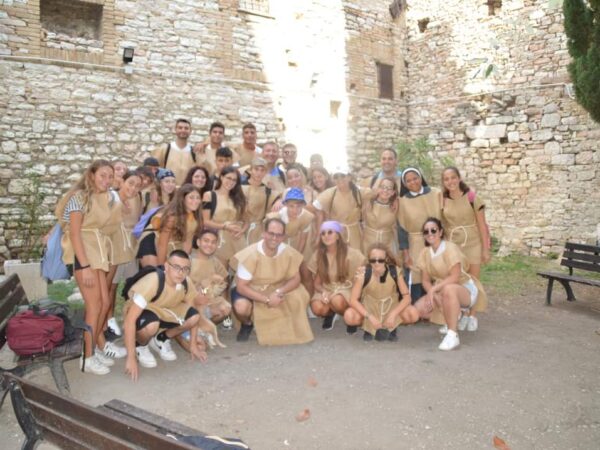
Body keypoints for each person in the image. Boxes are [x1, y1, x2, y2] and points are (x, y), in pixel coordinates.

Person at [55, 160, 122, 375]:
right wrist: (83, 266)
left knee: (104, 303)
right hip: (84, 255)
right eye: (102, 175)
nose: (107, 180)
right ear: (91, 175)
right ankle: (87, 357)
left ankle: (93, 347)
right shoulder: (79, 198)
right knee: (94, 306)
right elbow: (75, 234)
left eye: (110, 176)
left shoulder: (102, 198)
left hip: (97, 253)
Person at [122, 250, 207, 381]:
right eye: (176, 267)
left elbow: (193, 310)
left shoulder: (186, 282)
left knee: (194, 317)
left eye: (185, 269)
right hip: (145, 311)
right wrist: (130, 357)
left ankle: (161, 338)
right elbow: (129, 320)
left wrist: (193, 345)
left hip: (166, 311)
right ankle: (140, 345)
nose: (181, 272)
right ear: (167, 266)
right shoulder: (153, 282)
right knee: (152, 325)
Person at [230, 218, 313, 345]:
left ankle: (288, 324)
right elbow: (241, 287)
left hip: (276, 287)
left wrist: (279, 292)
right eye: (271, 233)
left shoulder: (289, 252)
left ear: (283, 237)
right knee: (241, 307)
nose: (274, 238)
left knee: (299, 295)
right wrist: (267, 300)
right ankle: (247, 323)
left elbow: (296, 279)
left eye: (279, 235)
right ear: (264, 233)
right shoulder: (250, 255)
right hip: (251, 288)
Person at [413, 218, 487, 351]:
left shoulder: (450, 248)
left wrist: (434, 289)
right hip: (441, 289)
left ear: (441, 232)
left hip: (464, 288)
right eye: (426, 231)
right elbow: (425, 280)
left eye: (433, 230)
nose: (430, 233)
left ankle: (453, 334)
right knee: (419, 309)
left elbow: (455, 276)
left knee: (449, 289)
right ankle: (453, 315)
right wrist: (434, 294)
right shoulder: (425, 253)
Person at [441, 166, 491, 331]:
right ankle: (459, 314)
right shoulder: (442, 200)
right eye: (446, 179)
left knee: (473, 281)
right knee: (457, 280)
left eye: (453, 177)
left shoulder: (471, 197)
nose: (450, 181)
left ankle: (472, 315)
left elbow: (482, 225)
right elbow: (443, 225)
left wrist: (485, 249)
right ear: (443, 182)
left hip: (473, 243)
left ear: (459, 178)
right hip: (454, 245)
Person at [344, 243, 419, 342]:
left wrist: (393, 314)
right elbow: (353, 300)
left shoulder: (395, 272)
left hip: (390, 307)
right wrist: (369, 317)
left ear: (386, 259)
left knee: (413, 313)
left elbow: (407, 298)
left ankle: (392, 326)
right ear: (369, 260)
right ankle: (368, 327)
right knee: (349, 315)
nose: (376, 263)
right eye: (373, 260)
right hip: (370, 309)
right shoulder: (363, 273)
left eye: (380, 260)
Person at [308, 221, 365, 331]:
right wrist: (324, 292)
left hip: (347, 289)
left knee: (337, 300)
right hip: (328, 289)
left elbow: (362, 279)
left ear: (338, 236)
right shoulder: (319, 254)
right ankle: (331, 313)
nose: (326, 236)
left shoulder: (352, 254)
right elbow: (317, 284)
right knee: (317, 308)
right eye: (323, 233)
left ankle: (351, 314)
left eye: (330, 232)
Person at [106, 170, 143, 338]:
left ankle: (131, 318)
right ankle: (109, 319)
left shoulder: (136, 198)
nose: (133, 188)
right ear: (122, 182)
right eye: (131, 183)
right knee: (111, 285)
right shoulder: (111, 198)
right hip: (114, 247)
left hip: (130, 246)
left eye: (137, 186)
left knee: (132, 284)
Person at [397, 167, 442, 303]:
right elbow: (402, 230)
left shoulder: (436, 193)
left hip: (437, 241)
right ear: (404, 184)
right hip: (415, 243)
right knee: (417, 275)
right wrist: (406, 254)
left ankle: (439, 306)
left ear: (420, 177)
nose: (413, 182)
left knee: (438, 272)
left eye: (415, 178)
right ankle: (417, 307)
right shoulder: (402, 201)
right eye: (408, 181)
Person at [266, 188, 316, 294]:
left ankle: (310, 299)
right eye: (291, 206)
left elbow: (303, 239)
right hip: (279, 244)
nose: (295, 210)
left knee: (306, 272)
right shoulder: (277, 216)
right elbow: (271, 238)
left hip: (298, 243)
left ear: (303, 205)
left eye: (298, 206)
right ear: (286, 205)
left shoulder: (306, 217)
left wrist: (296, 257)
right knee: (282, 274)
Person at [202, 166, 248, 267]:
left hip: (237, 240)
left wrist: (242, 231)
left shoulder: (239, 198)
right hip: (219, 240)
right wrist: (224, 227)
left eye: (234, 180)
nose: (231, 182)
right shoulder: (209, 195)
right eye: (228, 178)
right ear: (221, 177)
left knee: (241, 271)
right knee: (220, 271)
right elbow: (205, 221)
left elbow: (246, 220)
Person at [313, 168, 367, 251]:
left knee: (355, 256)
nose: (339, 179)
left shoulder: (359, 191)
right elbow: (315, 207)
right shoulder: (330, 193)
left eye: (342, 176)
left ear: (349, 177)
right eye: (336, 177)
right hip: (336, 233)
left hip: (354, 233)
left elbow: (374, 194)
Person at [189, 229, 232, 325]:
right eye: (206, 241)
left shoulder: (214, 261)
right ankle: (194, 326)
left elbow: (225, 280)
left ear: (217, 245)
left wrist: (219, 287)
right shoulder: (189, 261)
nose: (209, 245)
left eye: (213, 242)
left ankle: (205, 327)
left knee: (226, 309)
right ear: (198, 242)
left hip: (209, 298)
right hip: (191, 300)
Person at [155, 184, 203, 265]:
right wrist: (161, 266)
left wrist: (185, 261)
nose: (196, 201)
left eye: (198, 198)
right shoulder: (172, 218)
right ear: (182, 199)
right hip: (163, 249)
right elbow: (162, 244)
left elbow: (188, 241)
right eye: (191, 197)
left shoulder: (195, 217)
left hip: (178, 250)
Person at [151, 118, 199, 186]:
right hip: (168, 189)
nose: (183, 130)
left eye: (186, 128)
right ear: (175, 129)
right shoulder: (165, 149)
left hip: (187, 190)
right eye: (180, 128)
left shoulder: (194, 153)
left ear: (190, 131)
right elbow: (153, 170)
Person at [362, 177, 399, 264]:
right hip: (367, 242)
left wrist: (396, 200)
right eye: (383, 187)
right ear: (378, 188)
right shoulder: (368, 202)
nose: (385, 190)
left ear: (393, 192)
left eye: (389, 188)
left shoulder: (396, 206)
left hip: (387, 243)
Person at [242, 157, 277, 245]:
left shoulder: (267, 190)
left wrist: (279, 200)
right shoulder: (240, 187)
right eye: (256, 169)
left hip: (258, 230)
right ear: (250, 170)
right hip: (241, 228)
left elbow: (276, 201)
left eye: (262, 170)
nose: (259, 173)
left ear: (265, 172)